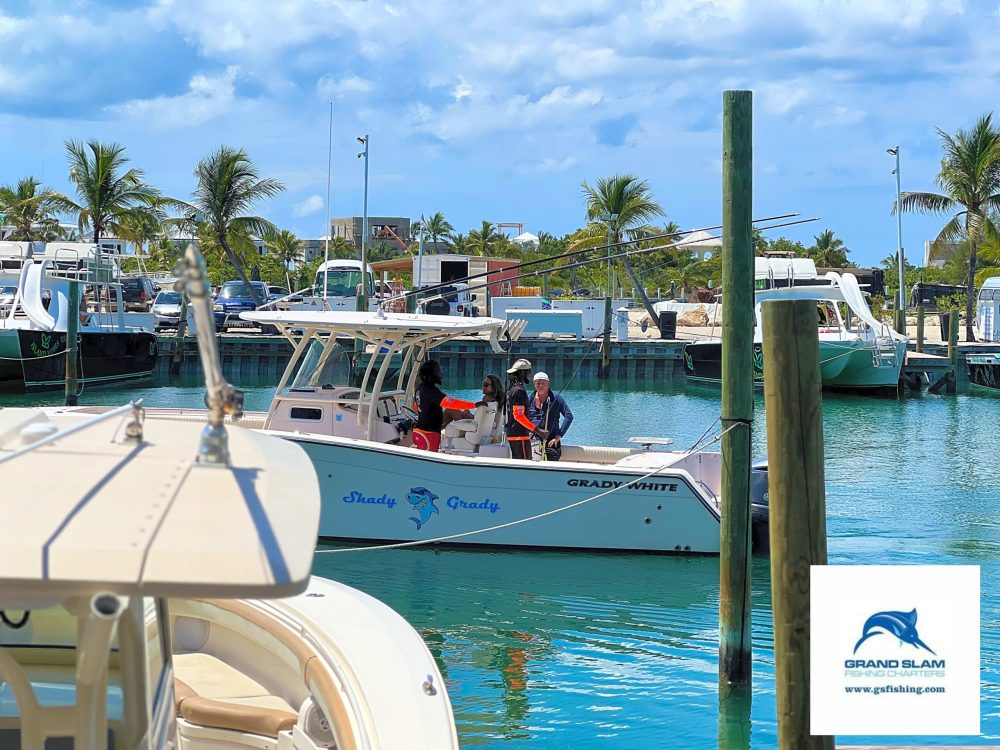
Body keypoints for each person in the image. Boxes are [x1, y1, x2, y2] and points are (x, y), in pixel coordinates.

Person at [526, 371, 574, 461]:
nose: (541, 386)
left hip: (551, 439)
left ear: (548, 383)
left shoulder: (557, 398)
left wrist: (559, 435)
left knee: (552, 457)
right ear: (534, 384)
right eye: (538, 383)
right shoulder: (529, 399)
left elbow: (569, 416)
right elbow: (524, 418)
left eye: (543, 383)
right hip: (533, 438)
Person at [506, 358, 544, 460]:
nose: (530, 374)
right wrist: (538, 431)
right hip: (519, 435)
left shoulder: (512, 389)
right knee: (524, 464)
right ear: (522, 373)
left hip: (514, 433)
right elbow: (518, 416)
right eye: (529, 371)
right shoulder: (519, 391)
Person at [412, 360, 449, 452]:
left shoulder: (419, 388)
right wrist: (474, 405)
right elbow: (451, 403)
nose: (441, 374)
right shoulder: (431, 391)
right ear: (433, 374)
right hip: (428, 434)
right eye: (439, 371)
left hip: (420, 431)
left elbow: (416, 407)